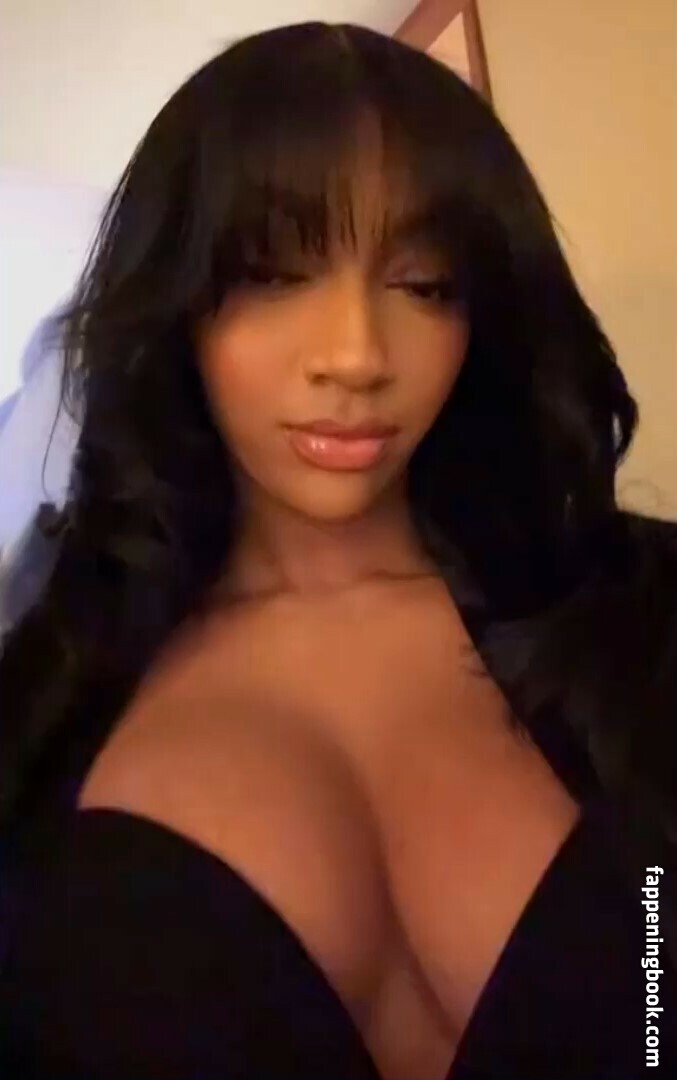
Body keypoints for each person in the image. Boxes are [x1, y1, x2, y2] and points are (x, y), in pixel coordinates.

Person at [0, 20, 676, 1080]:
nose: (356, 356)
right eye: (273, 273)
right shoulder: (42, 706)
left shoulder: (640, 611)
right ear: (177, 303)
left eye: (425, 284)